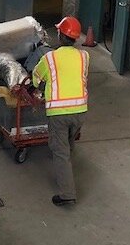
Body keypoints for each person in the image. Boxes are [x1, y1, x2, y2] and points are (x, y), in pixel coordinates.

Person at [32, 16, 90, 206]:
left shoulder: (50, 58)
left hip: (59, 113)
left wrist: (39, 86)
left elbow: (36, 77)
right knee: (67, 143)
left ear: (60, 35)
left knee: (60, 152)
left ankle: (67, 193)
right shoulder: (85, 57)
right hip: (80, 110)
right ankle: (67, 164)